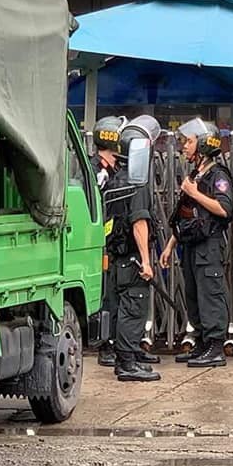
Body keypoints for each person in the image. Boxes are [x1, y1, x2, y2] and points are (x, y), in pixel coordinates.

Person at [160, 118, 233, 368]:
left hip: (209, 246)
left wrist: (195, 193)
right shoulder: (195, 174)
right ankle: (202, 342)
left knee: (210, 294)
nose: (184, 146)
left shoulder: (218, 175)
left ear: (203, 145)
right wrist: (170, 245)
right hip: (190, 244)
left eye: (189, 142)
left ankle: (215, 346)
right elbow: (185, 213)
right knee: (194, 296)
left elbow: (224, 209)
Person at [104, 127, 160, 382]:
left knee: (123, 309)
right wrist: (146, 261)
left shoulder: (117, 179)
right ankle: (127, 363)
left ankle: (128, 356)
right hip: (132, 259)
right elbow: (139, 223)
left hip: (118, 258)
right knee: (133, 309)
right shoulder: (136, 184)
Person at [90, 115, 124, 368]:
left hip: (111, 243)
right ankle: (105, 345)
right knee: (106, 296)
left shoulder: (109, 170)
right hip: (100, 244)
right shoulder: (97, 171)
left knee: (112, 293)